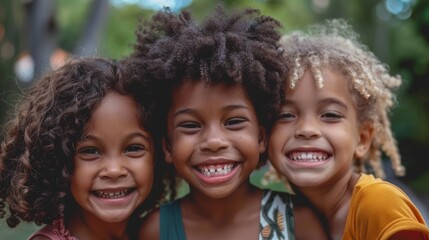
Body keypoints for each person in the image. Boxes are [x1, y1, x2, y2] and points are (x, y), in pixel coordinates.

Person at [130, 5, 329, 240]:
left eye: (234, 122)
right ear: (167, 146)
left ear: (261, 137)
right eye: (191, 125)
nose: (214, 142)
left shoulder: (298, 222)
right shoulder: (154, 230)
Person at [267, 19, 429, 239]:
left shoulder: (379, 205)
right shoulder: (285, 216)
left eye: (330, 115)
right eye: (286, 115)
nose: (306, 129)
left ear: (363, 139)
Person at [0, 57, 171, 239]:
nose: (114, 170)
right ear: (60, 162)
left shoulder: (158, 231)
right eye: (90, 151)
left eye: (133, 148)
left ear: (158, 154)